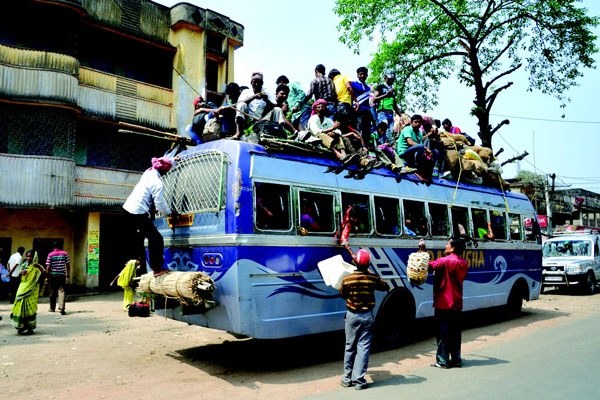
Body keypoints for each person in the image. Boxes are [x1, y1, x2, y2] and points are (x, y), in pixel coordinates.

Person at [339, 249, 390, 390]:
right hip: (367, 316)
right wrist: (380, 279)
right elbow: (386, 287)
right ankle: (359, 381)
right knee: (363, 348)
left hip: (352, 316)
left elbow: (343, 295)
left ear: (355, 263)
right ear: (368, 264)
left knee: (350, 347)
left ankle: (346, 378)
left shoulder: (347, 279)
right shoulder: (372, 278)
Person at [123, 156, 174, 276]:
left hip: (128, 209)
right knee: (156, 238)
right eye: (167, 171)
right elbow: (160, 204)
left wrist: (174, 159)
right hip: (137, 212)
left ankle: (137, 266)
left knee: (139, 240)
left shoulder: (149, 171)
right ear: (164, 171)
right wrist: (170, 213)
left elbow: (164, 161)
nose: (167, 174)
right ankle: (157, 269)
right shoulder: (158, 183)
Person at [426, 236, 468, 369]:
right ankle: (456, 359)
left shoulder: (444, 261)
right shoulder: (463, 263)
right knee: (455, 332)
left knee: (443, 332)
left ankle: (443, 360)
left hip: (443, 302)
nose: (445, 246)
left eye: (448, 244)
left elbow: (427, 266)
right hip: (456, 302)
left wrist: (421, 251)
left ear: (453, 247)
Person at [10, 250, 45, 335]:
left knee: (29, 308)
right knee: (19, 305)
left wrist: (39, 267)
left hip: (32, 289)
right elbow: (20, 273)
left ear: (34, 257)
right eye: (27, 256)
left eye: (30, 256)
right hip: (22, 287)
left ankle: (29, 327)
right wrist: (21, 272)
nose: (28, 258)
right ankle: (20, 326)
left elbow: (45, 274)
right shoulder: (24, 265)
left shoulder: (37, 266)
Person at [397, 114, 439, 183]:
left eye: (419, 122)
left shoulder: (419, 133)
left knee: (435, 152)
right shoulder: (407, 129)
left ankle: (428, 174)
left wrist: (427, 152)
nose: (417, 124)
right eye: (415, 122)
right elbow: (410, 142)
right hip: (404, 153)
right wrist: (425, 148)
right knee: (421, 147)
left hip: (414, 154)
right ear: (411, 122)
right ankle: (418, 171)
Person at [233, 72, 276, 139]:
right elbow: (238, 104)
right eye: (254, 82)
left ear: (262, 83)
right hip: (248, 119)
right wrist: (253, 97)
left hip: (262, 119)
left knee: (277, 109)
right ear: (251, 83)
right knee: (241, 104)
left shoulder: (268, 92)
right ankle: (238, 133)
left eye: (259, 82)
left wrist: (266, 100)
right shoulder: (246, 92)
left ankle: (279, 132)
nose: (256, 84)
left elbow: (274, 106)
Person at [372, 70, 403, 140]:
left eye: (392, 79)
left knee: (389, 132)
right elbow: (374, 99)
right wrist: (386, 95)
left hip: (391, 113)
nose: (391, 80)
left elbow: (394, 104)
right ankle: (380, 145)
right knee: (382, 129)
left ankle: (388, 147)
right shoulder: (380, 87)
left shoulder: (393, 91)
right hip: (382, 112)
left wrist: (400, 115)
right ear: (385, 78)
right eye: (389, 79)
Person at [348, 67, 375, 148]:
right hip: (358, 111)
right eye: (360, 74)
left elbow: (368, 102)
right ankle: (358, 147)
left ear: (367, 75)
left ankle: (366, 147)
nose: (362, 76)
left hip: (367, 111)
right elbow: (347, 85)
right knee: (358, 130)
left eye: (364, 74)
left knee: (367, 131)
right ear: (357, 75)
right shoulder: (353, 84)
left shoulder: (368, 87)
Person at [46, 242, 71, 315]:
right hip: (61, 275)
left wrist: (47, 276)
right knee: (61, 291)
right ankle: (62, 308)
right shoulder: (65, 254)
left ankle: (52, 308)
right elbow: (68, 265)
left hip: (53, 275)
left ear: (53, 247)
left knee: (52, 291)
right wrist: (68, 274)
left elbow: (48, 267)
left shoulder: (50, 254)